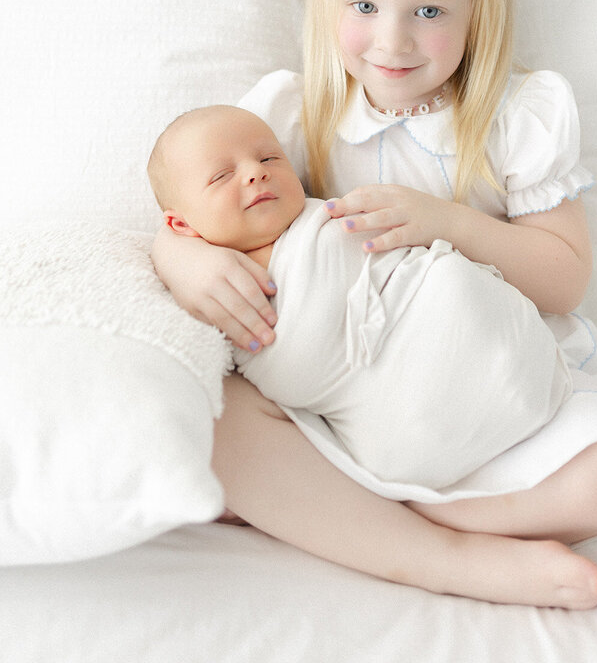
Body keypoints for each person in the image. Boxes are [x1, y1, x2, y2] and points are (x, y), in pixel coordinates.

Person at [151, 0, 597, 610]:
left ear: (477, 9)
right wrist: (181, 259)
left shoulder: (517, 118)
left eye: (428, 11)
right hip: (346, 390)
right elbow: (188, 207)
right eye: (364, 5)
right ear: (329, 2)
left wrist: (447, 222)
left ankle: (379, 516)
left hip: (492, 376)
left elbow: (564, 280)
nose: (392, 41)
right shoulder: (292, 117)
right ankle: (441, 556)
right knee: (213, 421)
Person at [148, 104, 573, 489]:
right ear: (181, 225)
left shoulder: (329, 219)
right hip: (403, 433)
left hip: (495, 336)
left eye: (269, 158)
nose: (254, 173)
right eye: (222, 176)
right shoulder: (215, 293)